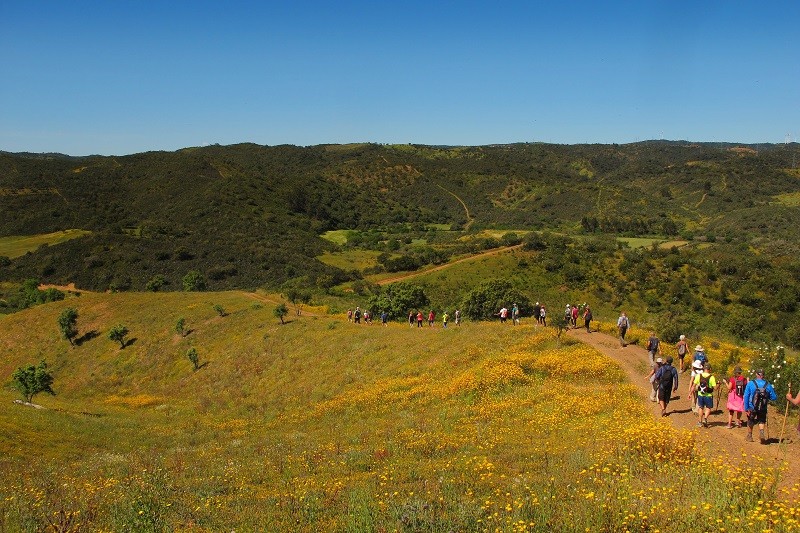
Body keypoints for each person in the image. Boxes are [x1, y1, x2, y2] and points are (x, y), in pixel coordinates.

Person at [744, 369, 777, 444]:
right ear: (763, 375)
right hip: (763, 407)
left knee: (750, 420)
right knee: (761, 420)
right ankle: (761, 433)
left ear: (756, 374)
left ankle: (749, 436)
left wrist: (746, 408)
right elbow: (774, 397)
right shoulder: (768, 385)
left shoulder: (751, 383)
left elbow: (746, 396)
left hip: (752, 406)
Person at [690, 362, 717, 428]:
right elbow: (715, 388)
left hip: (700, 394)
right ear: (710, 369)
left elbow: (694, 385)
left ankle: (700, 422)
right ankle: (705, 418)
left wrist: (690, 393)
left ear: (704, 368)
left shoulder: (699, 376)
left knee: (701, 407)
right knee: (708, 407)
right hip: (708, 395)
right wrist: (718, 384)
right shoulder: (712, 377)